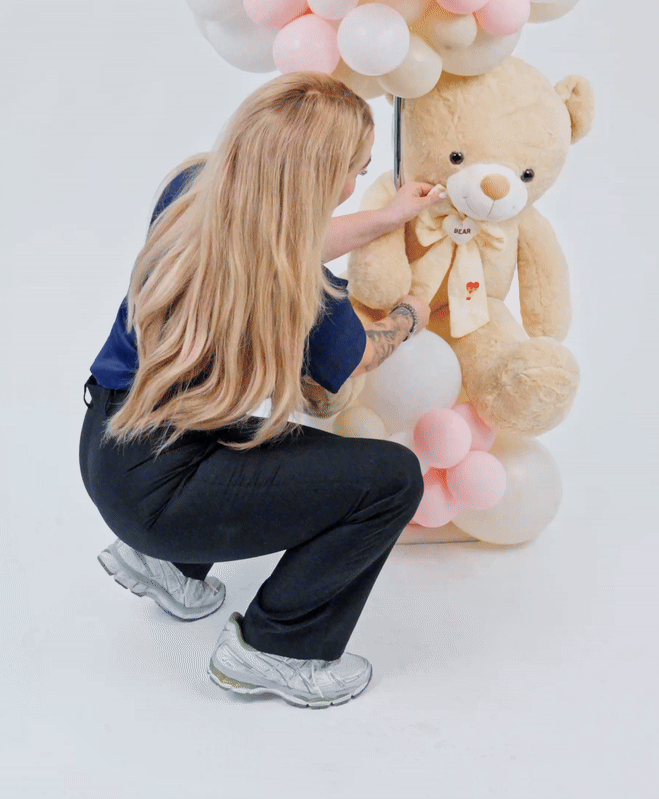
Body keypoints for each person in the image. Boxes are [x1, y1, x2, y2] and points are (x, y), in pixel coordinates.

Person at [79, 70, 446, 709]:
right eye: (355, 170)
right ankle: (279, 649)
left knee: (237, 424)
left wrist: (388, 217)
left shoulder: (192, 186)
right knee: (391, 479)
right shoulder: (307, 291)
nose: (354, 184)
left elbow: (280, 232)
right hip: (164, 497)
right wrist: (410, 315)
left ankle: (163, 567)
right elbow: (356, 357)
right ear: (318, 174)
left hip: (110, 445)